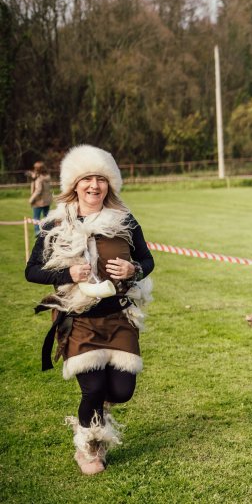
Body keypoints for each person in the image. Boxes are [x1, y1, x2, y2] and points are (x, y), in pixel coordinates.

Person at [24, 145, 154, 475]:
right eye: (87, 179)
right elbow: (32, 270)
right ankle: (90, 447)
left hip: (119, 316)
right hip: (78, 319)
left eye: (101, 179)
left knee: (121, 392)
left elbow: (147, 260)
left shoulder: (124, 219)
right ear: (75, 184)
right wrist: (67, 273)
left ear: (110, 184)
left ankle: (97, 411)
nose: (94, 186)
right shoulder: (56, 223)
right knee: (93, 389)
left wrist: (132, 270)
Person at [28, 161, 53, 235]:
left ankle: (37, 232)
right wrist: (33, 177)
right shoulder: (47, 177)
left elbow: (38, 190)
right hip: (47, 201)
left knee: (36, 218)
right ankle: (47, 231)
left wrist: (31, 199)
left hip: (38, 201)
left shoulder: (39, 179)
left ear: (37, 169)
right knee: (46, 217)